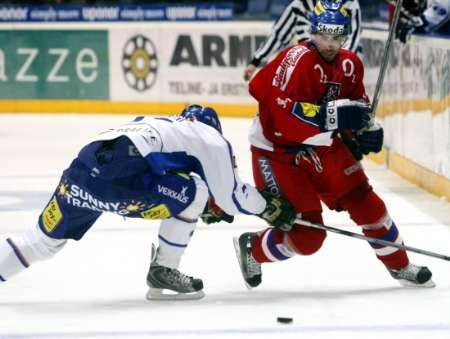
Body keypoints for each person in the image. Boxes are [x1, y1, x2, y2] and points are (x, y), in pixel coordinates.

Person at [234, 0, 435, 290]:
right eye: (324, 37)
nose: (330, 44)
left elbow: (358, 107)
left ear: (345, 35)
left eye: (337, 37)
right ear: (313, 32)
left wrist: (366, 130)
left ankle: (400, 265)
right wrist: (335, 116)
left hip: (322, 147)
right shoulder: (296, 60)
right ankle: (253, 248)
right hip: (278, 153)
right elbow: (284, 120)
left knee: (367, 204)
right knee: (307, 237)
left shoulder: (350, 63)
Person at [0, 105, 296, 300]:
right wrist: (272, 207)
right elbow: (233, 198)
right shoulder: (210, 138)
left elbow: (149, 170)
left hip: (81, 172)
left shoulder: (159, 124)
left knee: (39, 243)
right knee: (197, 191)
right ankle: (163, 270)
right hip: (117, 181)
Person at [243, 0, 362, 81]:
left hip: (341, 70)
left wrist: (341, 65)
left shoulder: (350, 3)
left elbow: (354, 37)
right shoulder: (299, 4)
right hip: (308, 71)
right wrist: (256, 61)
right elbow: (279, 35)